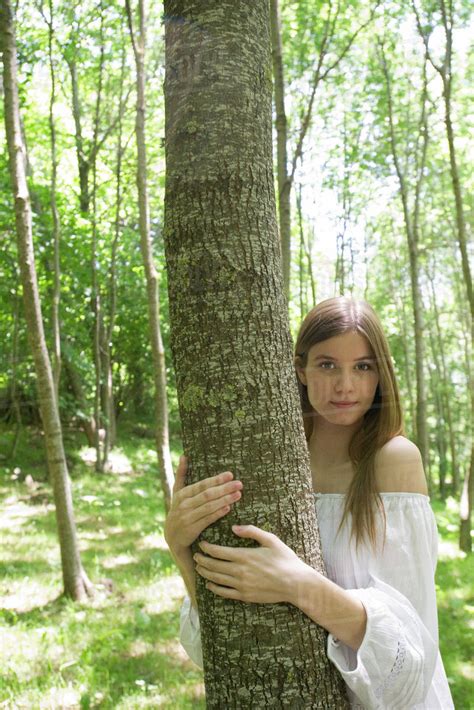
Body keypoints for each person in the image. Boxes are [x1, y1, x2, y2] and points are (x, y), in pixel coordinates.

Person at [164, 296, 454, 709]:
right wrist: (179, 547)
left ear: (380, 374)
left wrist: (297, 584)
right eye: (327, 364)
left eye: (363, 366)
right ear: (300, 369)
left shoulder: (395, 460)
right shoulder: (269, 461)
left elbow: (409, 660)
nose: (345, 386)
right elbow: (215, 648)